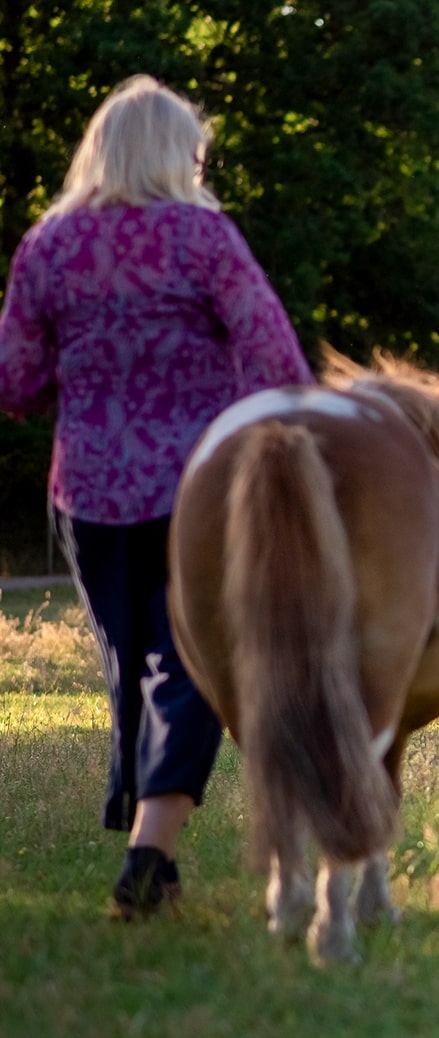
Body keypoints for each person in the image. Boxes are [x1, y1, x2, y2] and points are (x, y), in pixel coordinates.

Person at [0, 76, 313, 917]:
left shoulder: (47, 245)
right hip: (199, 484)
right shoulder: (204, 238)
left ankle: (154, 853)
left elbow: (17, 382)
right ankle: (148, 851)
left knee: (127, 658)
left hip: (91, 489)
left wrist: (86, 379)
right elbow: (275, 360)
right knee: (195, 660)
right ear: (179, 155)